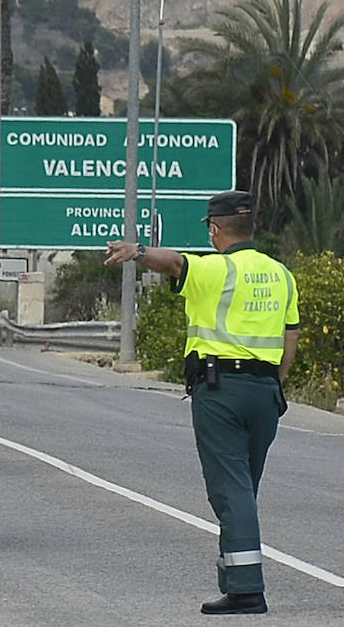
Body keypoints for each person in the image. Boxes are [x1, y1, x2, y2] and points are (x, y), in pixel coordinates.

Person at [105, 190, 299, 617]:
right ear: (253, 227)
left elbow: (174, 264)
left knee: (230, 489)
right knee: (244, 487)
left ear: (215, 229)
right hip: (265, 392)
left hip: (221, 391)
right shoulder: (282, 274)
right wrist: (275, 386)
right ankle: (234, 578)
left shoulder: (216, 269)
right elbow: (290, 337)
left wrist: (136, 251)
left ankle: (247, 588)